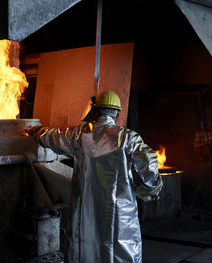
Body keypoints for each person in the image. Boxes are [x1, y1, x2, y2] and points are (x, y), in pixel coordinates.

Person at [27, 90, 163, 263]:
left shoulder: (80, 135)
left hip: (87, 206)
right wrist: (151, 187)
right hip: (121, 210)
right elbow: (149, 165)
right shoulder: (128, 137)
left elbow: (54, 138)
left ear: (96, 111)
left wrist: (38, 131)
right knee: (120, 247)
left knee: (86, 246)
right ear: (117, 113)